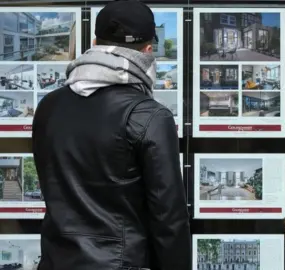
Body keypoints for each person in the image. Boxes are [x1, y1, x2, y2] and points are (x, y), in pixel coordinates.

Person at [32, 1, 190, 269]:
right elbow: (169, 219)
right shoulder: (149, 115)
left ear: (95, 42)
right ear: (149, 51)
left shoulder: (48, 106)